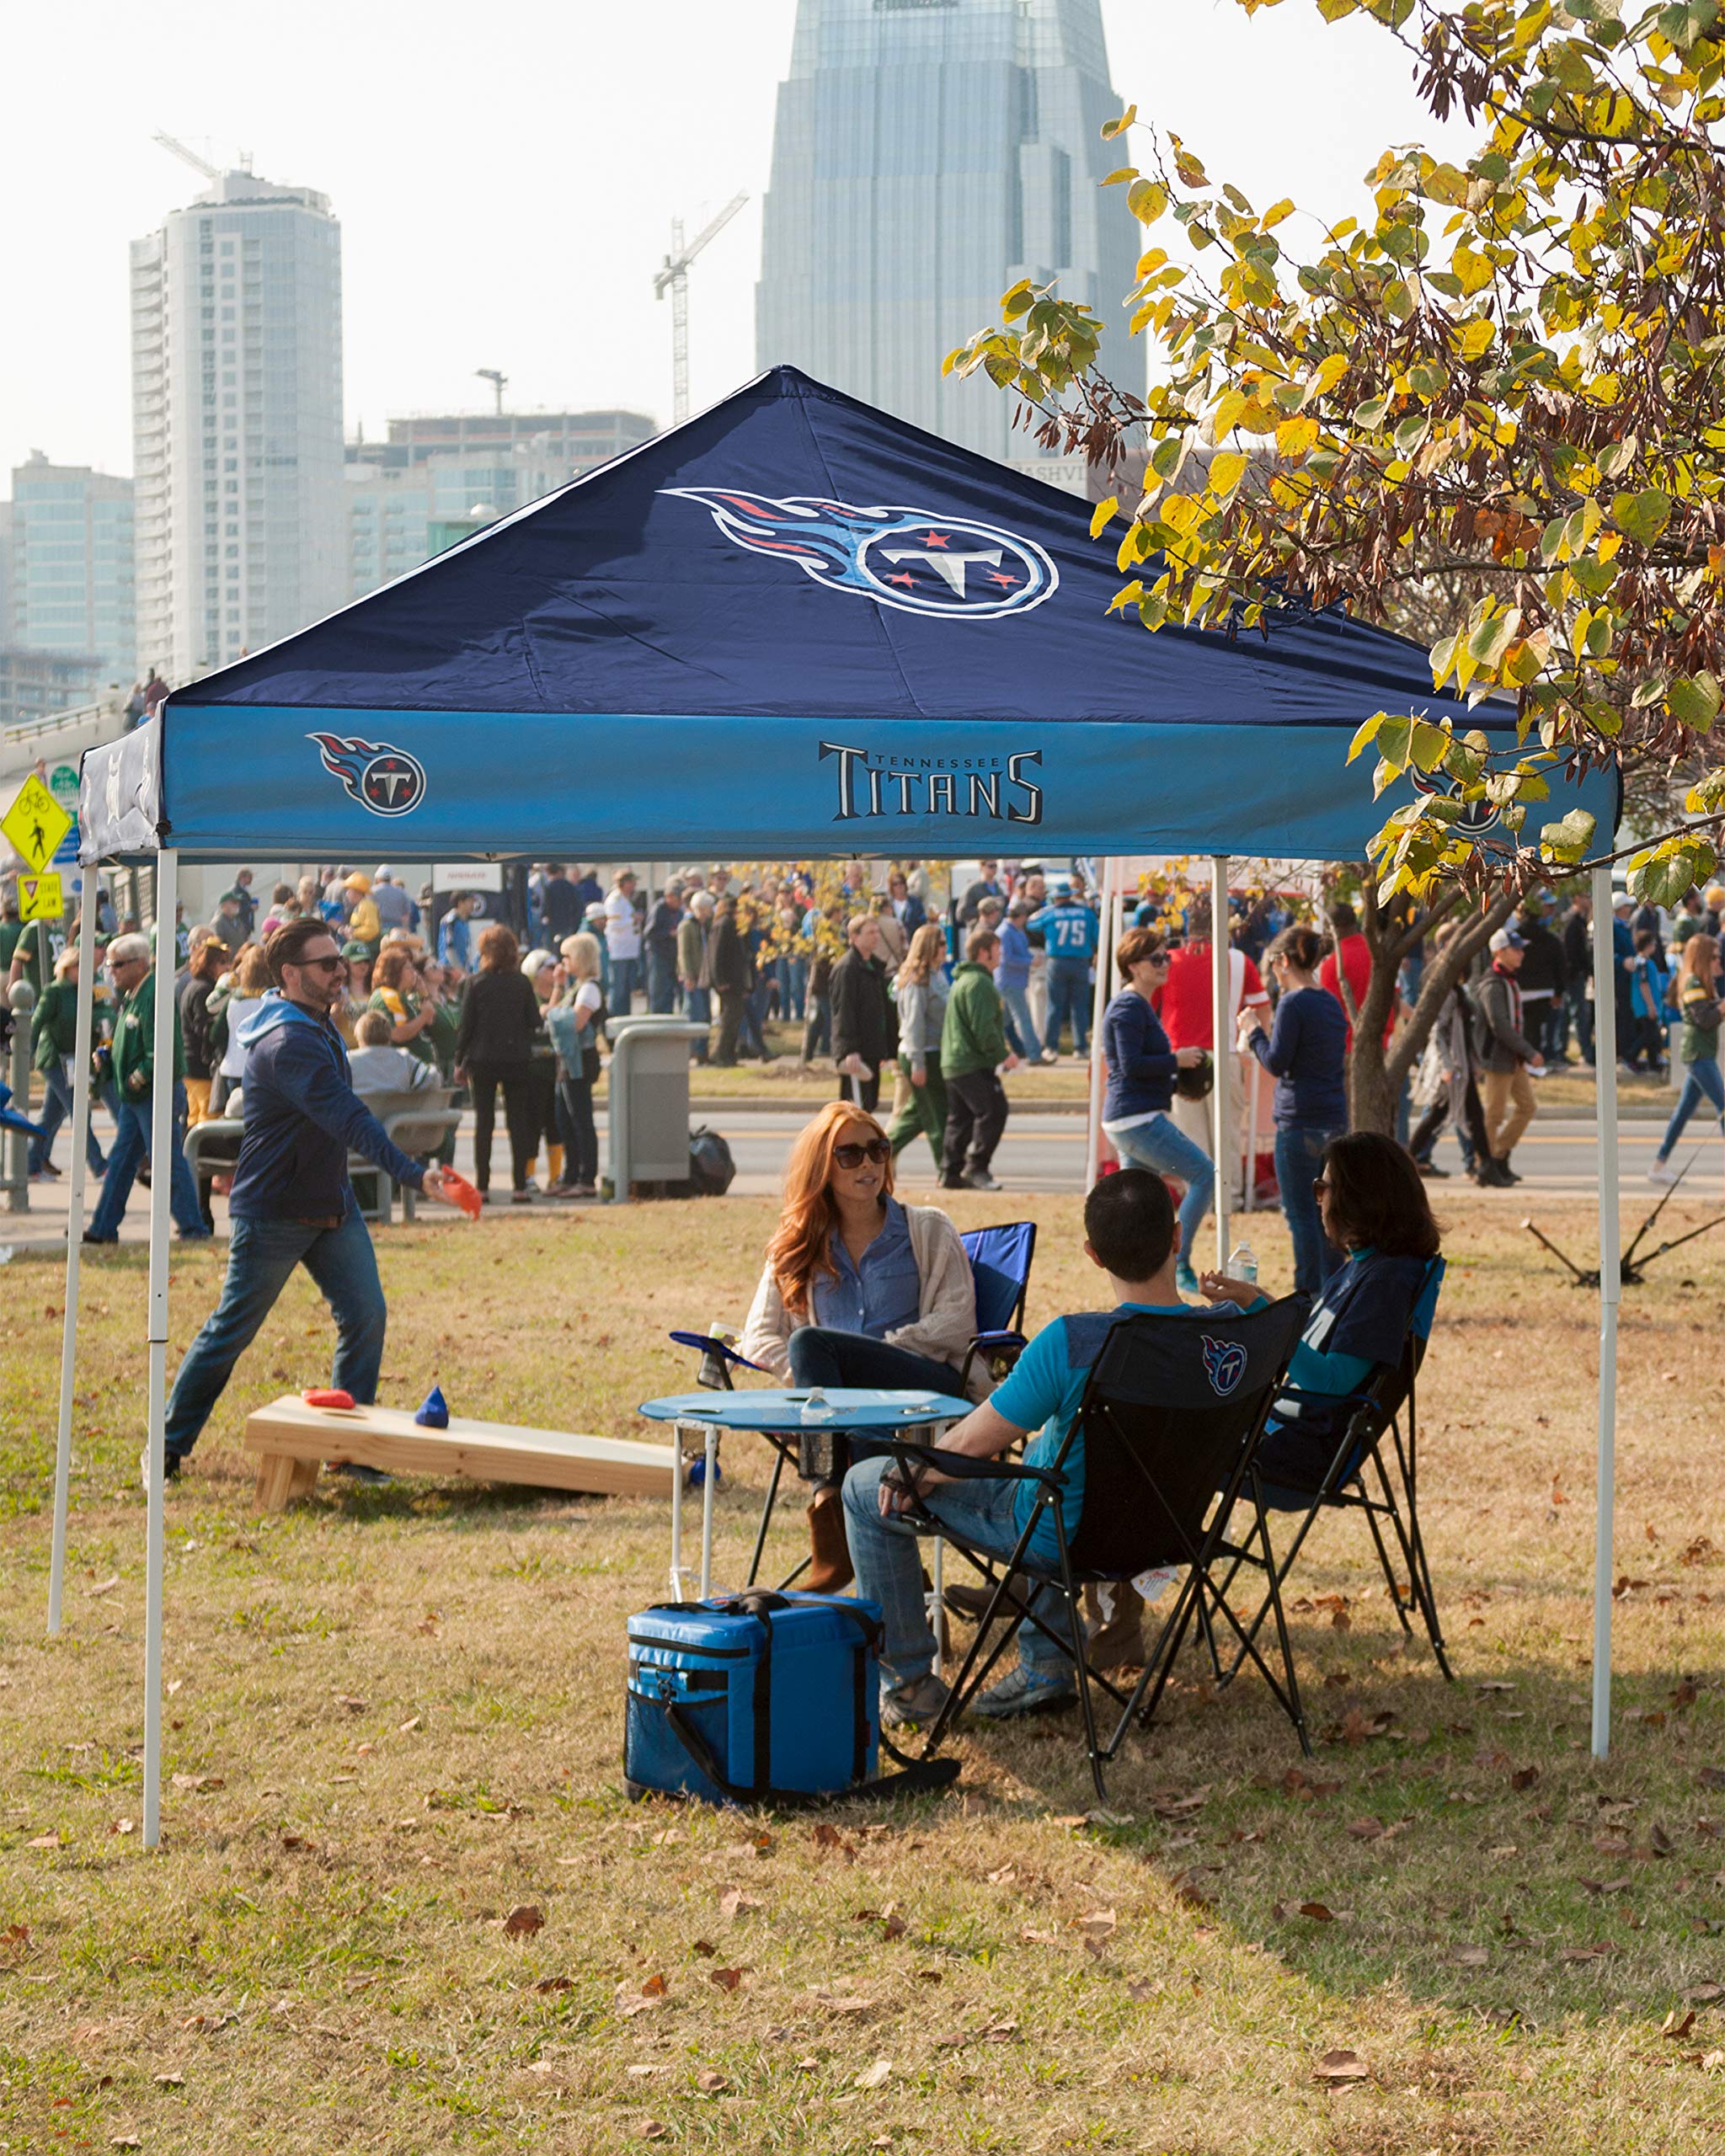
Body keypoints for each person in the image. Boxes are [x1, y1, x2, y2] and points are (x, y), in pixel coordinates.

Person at [841, 1167, 1257, 1724]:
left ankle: (912, 1686)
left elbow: (969, 1443)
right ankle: (1044, 1665)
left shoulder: (1073, 1342)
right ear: (1178, 1238)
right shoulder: (1233, 1336)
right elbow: (1281, 1326)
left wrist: (915, 1471)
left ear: (1093, 1254)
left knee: (864, 1486)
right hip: (1173, 1531)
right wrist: (1255, 1299)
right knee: (1046, 1463)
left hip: (1068, 1538)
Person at [154, 920, 460, 1484]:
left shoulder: (315, 1023)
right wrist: (413, 1175)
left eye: (340, 961)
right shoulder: (288, 1042)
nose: (340, 971)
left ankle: (345, 1450)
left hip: (330, 1205)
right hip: (273, 1212)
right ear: (291, 974)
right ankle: (167, 1444)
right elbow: (349, 1118)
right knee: (232, 1331)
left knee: (365, 1314)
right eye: (327, 964)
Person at [740, 1102, 981, 1592]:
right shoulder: (798, 1244)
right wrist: (812, 1382)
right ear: (822, 1169)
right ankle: (899, 1583)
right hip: (850, 1414)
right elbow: (758, 1336)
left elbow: (957, 1323)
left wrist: (871, 1356)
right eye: (850, 1155)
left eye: (878, 1150)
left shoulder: (927, 1228)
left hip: (926, 1391)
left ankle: (829, 1526)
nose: (869, 1164)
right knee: (853, 1409)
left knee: (821, 1354)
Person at [1203, 1131, 1441, 1497]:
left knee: (1167, 1441)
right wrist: (1253, 1297)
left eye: (1323, 1188)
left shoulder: (1387, 1282)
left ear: (1357, 1198)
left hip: (1300, 1452)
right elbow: (1308, 1334)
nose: (1318, 1201)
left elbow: (1330, 1385)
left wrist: (1262, 1311)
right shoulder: (1364, 1267)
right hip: (1281, 1429)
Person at [1097, 927, 1213, 1294]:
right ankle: (1179, 1264)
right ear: (1133, 965)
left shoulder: (1138, 1004)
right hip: (1136, 1118)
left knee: (1143, 1206)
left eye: (1167, 956)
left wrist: (1174, 1077)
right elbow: (1130, 1065)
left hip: (1134, 1114)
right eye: (1157, 958)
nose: (1166, 964)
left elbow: (1136, 1065)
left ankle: (1140, 1276)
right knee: (1205, 1175)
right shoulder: (1129, 1006)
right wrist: (1175, 1060)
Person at [1237, 923, 1349, 1295]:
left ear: (1284, 961)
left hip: (1299, 1121)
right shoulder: (1330, 1001)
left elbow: (1276, 1061)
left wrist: (1253, 1029)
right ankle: (1332, 1291)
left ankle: (1306, 1296)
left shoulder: (1293, 1002)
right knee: (1330, 1216)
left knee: (1302, 1216)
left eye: (1272, 965)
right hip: (1333, 1119)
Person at [83, 931, 210, 1246]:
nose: (111, 971)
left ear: (140, 964)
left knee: (166, 1162)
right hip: (136, 1098)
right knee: (122, 1162)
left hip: (155, 1093)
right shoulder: (134, 994)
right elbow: (134, 1039)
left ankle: (194, 1229)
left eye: (117, 965)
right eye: (110, 965)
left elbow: (159, 1051)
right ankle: (102, 1228)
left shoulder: (153, 994)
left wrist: (135, 1077)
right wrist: (110, 1056)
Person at [453, 923, 545, 1204]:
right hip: (516, 1058)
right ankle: (519, 1186)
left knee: (484, 1123)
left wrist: (460, 1061)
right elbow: (535, 1022)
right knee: (518, 1121)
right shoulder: (521, 983)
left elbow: (466, 1026)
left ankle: (483, 1185)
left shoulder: (475, 983)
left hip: (482, 1059)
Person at [940, 928, 1017, 1193]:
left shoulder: (963, 980)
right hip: (971, 1062)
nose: (1001, 954)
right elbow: (983, 1028)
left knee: (960, 1118)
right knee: (994, 1110)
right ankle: (977, 1167)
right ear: (984, 952)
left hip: (954, 1062)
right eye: (997, 949)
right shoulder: (980, 983)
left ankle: (950, 1172)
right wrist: (1003, 1055)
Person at [28, 944, 108, 1184]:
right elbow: (36, 1023)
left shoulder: (88, 988)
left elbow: (104, 1006)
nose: (84, 970)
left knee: (50, 1117)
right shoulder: (54, 991)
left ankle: (31, 1164)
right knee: (78, 1110)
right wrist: (29, 1055)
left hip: (73, 1059)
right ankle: (99, 1166)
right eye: (78, 966)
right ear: (68, 967)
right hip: (54, 1059)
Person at [1648, 932, 1724, 1182]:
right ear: (1702, 957)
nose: (1718, 961)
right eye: (1714, 957)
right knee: (1723, 1108)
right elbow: (1704, 1019)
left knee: (1683, 1113)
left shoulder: (1700, 983)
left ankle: (1658, 1165)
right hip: (1698, 1054)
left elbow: (1709, 1011)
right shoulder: (1691, 982)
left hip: (1701, 1053)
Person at [1475, 926, 1545, 1182]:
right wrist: (1528, 1051)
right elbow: (1500, 1026)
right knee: (1494, 1114)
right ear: (1499, 952)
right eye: (1515, 950)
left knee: (1527, 1107)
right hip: (1498, 1058)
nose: (1521, 954)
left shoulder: (1509, 980)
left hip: (1513, 1059)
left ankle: (1499, 1155)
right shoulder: (1492, 984)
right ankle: (1485, 1166)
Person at [886, 922, 950, 1171]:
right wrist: (918, 1063)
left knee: (917, 1114)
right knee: (938, 1115)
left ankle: (881, 1149)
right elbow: (914, 1025)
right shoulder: (917, 980)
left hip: (936, 1052)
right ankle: (946, 1169)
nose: (946, 948)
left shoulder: (937, 974)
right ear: (929, 947)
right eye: (942, 943)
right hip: (922, 1054)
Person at [547, 931, 605, 1197]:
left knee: (581, 1119)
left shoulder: (590, 989)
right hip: (566, 1060)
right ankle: (569, 1176)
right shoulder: (576, 987)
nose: (563, 962)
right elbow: (555, 1012)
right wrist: (558, 987)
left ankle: (586, 1178)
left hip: (580, 1061)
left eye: (567, 956)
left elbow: (576, 1023)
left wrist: (552, 1014)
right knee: (564, 1120)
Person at [831, 912, 895, 1113]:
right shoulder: (848, 968)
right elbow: (844, 1010)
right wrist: (849, 1050)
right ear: (854, 937)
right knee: (854, 1110)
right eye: (870, 933)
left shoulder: (872, 967)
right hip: (857, 1052)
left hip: (872, 1047)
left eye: (876, 932)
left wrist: (884, 1047)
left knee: (869, 1105)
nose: (875, 936)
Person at [1028, 878, 1098, 1057]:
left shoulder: (1050, 913)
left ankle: (1051, 1047)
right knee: (1080, 1006)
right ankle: (1080, 1047)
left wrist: (1046, 909)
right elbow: (1096, 937)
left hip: (1057, 962)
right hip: (1081, 962)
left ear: (1057, 898)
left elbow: (1030, 923)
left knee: (1054, 1006)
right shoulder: (1086, 913)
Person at [209, 945, 273, 1118]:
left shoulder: (234, 999)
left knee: (235, 1120)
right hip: (261, 1071)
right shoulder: (271, 1001)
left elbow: (215, 1034)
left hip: (232, 1069)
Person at [178, 937, 231, 1128]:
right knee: (206, 1119)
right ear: (209, 964)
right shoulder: (204, 990)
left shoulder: (194, 985)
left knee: (194, 1117)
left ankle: (188, 1156)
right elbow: (204, 1030)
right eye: (222, 962)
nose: (227, 968)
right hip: (200, 1065)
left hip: (191, 1063)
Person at [1516, 897, 1567, 1064]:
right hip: (1543, 992)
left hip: (1520, 991)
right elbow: (1560, 967)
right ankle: (1536, 1060)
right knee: (1537, 1031)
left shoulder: (1515, 936)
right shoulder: (1550, 939)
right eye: (1549, 907)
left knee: (1523, 1030)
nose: (1552, 911)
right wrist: (1559, 992)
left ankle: (1527, 1061)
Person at [994, 899, 1045, 1064]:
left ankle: (1012, 1052)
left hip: (1016, 980)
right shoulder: (1005, 932)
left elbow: (1020, 953)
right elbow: (1006, 959)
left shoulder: (1016, 930)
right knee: (1023, 1018)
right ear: (1021, 916)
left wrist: (1031, 959)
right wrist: (1030, 962)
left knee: (1004, 1021)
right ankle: (1034, 1055)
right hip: (1009, 982)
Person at [347, 1008, 441, 1095]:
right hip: (397, 1110)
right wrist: (414, 1093)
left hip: (360, 1110)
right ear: (388, 1036)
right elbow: (434, 1078)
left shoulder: (348, 1060)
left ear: (360, 1037)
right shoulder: (403, 1057)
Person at [709, 893, 752, 1066]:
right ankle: (721, 1054)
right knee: (730, 1017)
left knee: (734, 1017)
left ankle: (727, 1053)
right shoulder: (724, 924)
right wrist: (719, 980)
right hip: (727, 979)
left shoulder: (732, 925)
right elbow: (717, 954)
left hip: (734, 979)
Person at [1628, 928, 1671, 1075]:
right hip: (1645, 1005)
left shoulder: (1647, 962)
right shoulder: (1642, 963)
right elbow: (1644, 984)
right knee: (1648, 1034)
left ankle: (1654, 1062)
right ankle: (1631, 1057)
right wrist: (1650, 1006)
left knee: (1653, 1035)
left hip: (1650, 1005)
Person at [677, 889, 715, 1061]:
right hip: (693, 977)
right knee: (694, 1013)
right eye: (708, 908)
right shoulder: (687, 926)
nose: (710, 911)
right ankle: (691, 1049)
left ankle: (702, 1050)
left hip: (704, 976)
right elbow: (683, 953)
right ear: (699, 908)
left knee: (705, 1014)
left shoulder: (704, 926)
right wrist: (688, 976)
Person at [1561, 890, 1594, 1066]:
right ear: (1576, 899)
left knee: (1571, 1013)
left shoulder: (1580, 921)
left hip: (1576, 975)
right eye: (1586, 896)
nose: (1589, 900)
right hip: (1572, 976)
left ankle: (1562, 1049)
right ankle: (1587, 1053)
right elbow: (1572, 952)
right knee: (1578, 1014)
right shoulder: (1571, 922)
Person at [604, 870, 643, 1016]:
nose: (634, 885)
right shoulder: (615, 900)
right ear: (624, 883)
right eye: (631, 882)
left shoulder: (626, 899)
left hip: (629, 950)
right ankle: (615, 1017)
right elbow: (613, 924)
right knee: (618, 988)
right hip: (619, 951)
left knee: (626, 989)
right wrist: (633, 919)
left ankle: (625, 1016)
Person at [646, 881, 684, 1014]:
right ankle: (657, 1021)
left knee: (670, 992)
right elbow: (649, 933)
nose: (681, 902)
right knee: (659, 991)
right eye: (678, 898)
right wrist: (669, 933)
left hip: (673, 956)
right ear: (670, 896)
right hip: (659, 956)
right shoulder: (659, 909)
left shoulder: (679, 911)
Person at [437, 890, 483, 971]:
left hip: (463, 969)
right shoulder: (450, 921)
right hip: (450, 970)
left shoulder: (463, 921)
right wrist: (458, 969)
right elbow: (449, 947)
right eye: (470, 901)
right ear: (460, 903)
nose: (473, 905)